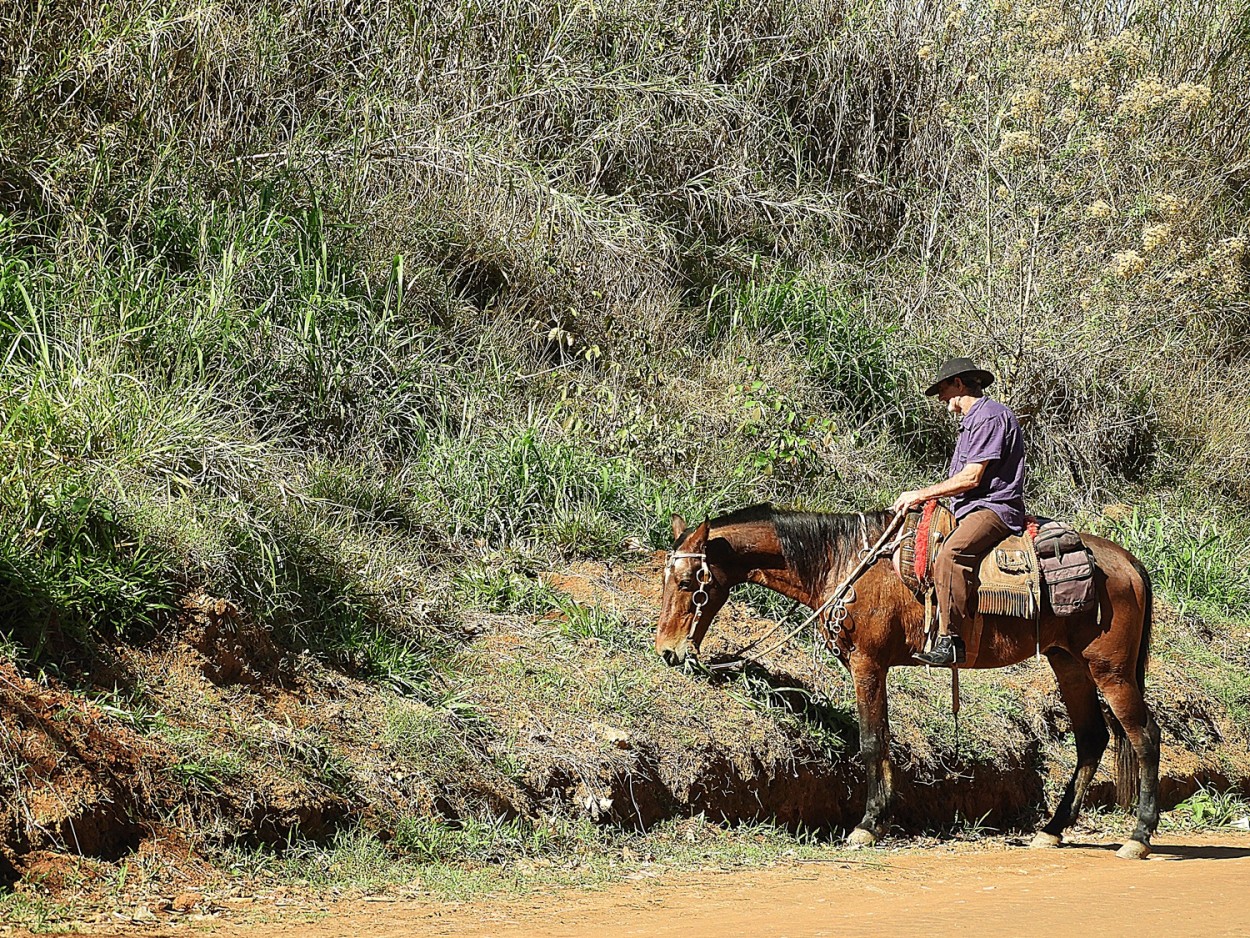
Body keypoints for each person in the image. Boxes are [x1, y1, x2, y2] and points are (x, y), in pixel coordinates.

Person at [890, 357, 1027, 666]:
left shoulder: (989, 417)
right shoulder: (973, 421)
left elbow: (971, 478)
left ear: (959, 384)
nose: (941, 398)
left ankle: (952, 639)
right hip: (971, 507)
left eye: (943, 389)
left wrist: (921, 494)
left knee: (951, 554)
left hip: (993, 508)